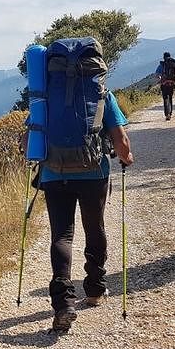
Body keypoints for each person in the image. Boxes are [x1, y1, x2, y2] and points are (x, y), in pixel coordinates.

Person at [36, 91, 133, 331]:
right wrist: (126, 157)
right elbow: (120, 140)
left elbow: (32, 139)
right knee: (94, 227)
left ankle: (63, 304)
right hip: (93, 173)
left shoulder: (45, 94)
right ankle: (95, 290)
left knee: (61, 235)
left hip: (53, 173)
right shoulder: (102, 95)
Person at [156, 52, 175, 120]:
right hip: (172, 84)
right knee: (170, 98)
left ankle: (167, 114)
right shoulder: (173, 64)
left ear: (164, 57)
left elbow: (157, 74)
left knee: (165, 99)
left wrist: (160, 79)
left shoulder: (162, 65)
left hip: (164, 84)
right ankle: (170, 113)